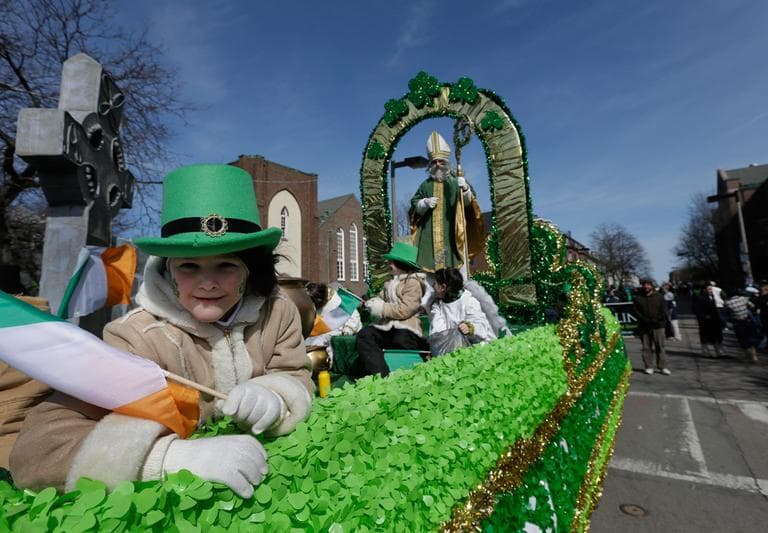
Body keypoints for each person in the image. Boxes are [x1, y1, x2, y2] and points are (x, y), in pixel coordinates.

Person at [10, 164, 314, 498]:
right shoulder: (134, 338)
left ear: (251, 270)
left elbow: (294, 373)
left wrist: (276, 394)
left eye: (226, 265)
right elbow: (38, 452)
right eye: (189, 266)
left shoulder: (277, 310)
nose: (208, 283)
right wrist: (166, 459)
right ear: (168, 270)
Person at [409, 131, 484, 273]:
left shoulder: (457, 181)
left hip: (452, 235)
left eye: (441, 161)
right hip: (429, 239)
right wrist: (423, 203)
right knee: (431, 277)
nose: (437, 164)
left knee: (454, 271)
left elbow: (470, 205)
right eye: (434, 162)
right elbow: (414, 205)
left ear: (447, 162)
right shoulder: (425, 185)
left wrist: (465, 189)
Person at [353, 242, 428, 378]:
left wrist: (380, 308)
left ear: (402, 264)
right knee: (365, 334)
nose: (389, 264)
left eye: (392, 262)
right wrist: (368, 303)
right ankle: (380, 375)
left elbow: (405, 310)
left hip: (407, 327)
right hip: (387, 327)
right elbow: (380, 298)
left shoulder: (414, 283)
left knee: (400, 339)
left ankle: (407, 374)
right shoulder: (390, 283)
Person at [428, 267, 496, 355]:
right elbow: (437, 332)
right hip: (452, 352)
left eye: (435, 284)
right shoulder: (438, 307)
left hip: (478, 351)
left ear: (443, 287)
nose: (433, 286)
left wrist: (470, 327)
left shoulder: (469, 302)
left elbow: (482, 327)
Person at [304, 282, 362, 367]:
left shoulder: (342, 303)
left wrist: (348, 329)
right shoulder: (314, 306)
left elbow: (353, 316)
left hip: (342, 336)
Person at [633, 279, 670, 375]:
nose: (646, 287)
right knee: (646, 347)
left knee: (660, 347)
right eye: (644, 285)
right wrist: (644, 319)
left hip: (658, 326)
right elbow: (635, 311)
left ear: (652, 286)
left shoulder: (659, 297)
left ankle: (663, 367)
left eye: (648, 285)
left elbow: (664, 311)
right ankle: (648, 366)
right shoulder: (638, 298)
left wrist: (656, 320)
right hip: (644, 326)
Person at [725, 289, 760, 362]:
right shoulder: (743, 299)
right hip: (747, 321)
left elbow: (727, 313)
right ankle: (754, 356)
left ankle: (747, 356)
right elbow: (752, 306)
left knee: (742, 340)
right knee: (750, 338)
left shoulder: (727, 303)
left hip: (737, 323)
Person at [692, 283, 724, 357]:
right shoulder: (699, 298)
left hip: (714, 320)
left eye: (711, 289)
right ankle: (705, 352)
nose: (711, 290)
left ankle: (719, 352)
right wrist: (703, 316)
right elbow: (696, 309)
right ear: (704, 290)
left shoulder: (712, 296)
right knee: (705, 337)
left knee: (717, 336)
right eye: (709, 289)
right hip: (705, 321)